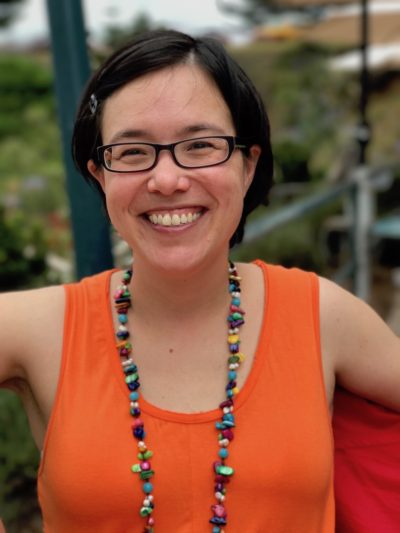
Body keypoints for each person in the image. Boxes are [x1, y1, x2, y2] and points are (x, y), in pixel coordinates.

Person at [0, 29, 399, 533]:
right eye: (132, 151)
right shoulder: (38, 328)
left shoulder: (322, 315)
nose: (167, 180)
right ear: (100, 175)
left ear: (248, 165)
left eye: (201, 145)